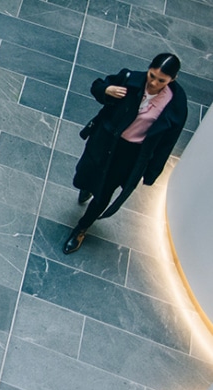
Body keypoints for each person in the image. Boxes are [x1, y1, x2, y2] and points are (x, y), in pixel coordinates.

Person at [64, 53, 188, 254]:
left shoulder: (176, 106)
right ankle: (87, 188)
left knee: (104, 192)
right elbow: (98, 87)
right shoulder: (130, 79)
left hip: (131, 152)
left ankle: (82, 227)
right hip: (105, 140)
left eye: (161, 80)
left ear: (172, 79)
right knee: (87, 173)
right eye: (152, 76)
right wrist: (106, 90)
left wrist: (152, 172)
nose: (154, 83)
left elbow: (167, 143)